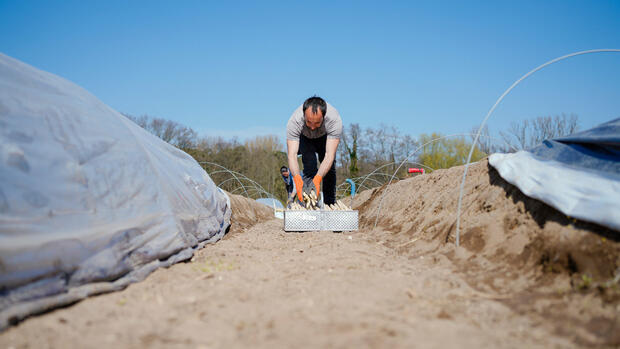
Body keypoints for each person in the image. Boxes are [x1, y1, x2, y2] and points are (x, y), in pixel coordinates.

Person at [286, 96, 342, 205]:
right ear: (304, 115)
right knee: (309, 165)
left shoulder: (334, 120)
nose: (312, 127)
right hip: (305, 138)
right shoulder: (295, 121)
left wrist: (318, 178)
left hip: (325, 138)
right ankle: (309, 203)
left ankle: (329, 203)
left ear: (324, 117)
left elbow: (329, 155)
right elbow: (292, 155)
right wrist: (297, 177)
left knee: (329, 170)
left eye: (317, 123)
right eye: (309, 122)